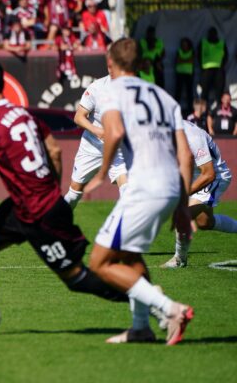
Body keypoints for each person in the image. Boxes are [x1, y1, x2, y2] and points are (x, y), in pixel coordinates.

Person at [0, 59, 127, 330]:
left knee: (76, 278)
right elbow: (54, 151)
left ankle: (147, 299)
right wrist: (52, 189)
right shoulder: (25, 115)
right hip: (26, 204)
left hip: (37, 212)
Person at [86, 38, 194, 345]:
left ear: (110, 64)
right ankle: (140, 328)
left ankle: (171, 308)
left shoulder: (112, 91)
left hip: (144, 186)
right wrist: (183, 206)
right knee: (131, 256)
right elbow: (184, 156)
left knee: (100, 263)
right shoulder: (163, 96)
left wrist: (103, 172)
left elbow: (115, 132)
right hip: (171, 186)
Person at [162, 120, 236, 268]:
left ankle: (179, 260)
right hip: (198, 175)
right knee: (205, 223)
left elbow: (209, 174)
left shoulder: (193, 137)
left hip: (215, 177)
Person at [63, 75, 128, 209]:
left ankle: (124, 227)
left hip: (118, 147)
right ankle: (55, 222)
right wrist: (97, 131)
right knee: (74, 192)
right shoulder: (97, 87)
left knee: (127, 189)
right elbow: (78, 117)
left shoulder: (134, 89)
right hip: (92, 146)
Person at [198, 27, 227, 106]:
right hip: (206, 70)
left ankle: (219, 111)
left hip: (218, 70)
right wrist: (202, 66)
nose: (212, 35)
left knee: (219, 93)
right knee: (204, 93)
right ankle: (204, 112)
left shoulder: (221, 43)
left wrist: (221, 66)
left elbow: (226, 56)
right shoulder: (203, 42)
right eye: (211, 33)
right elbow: (199, 55)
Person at [174, 37, 194, 116]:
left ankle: (190, 109)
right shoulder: (179, 51)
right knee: (178, 92)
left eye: (185, 44)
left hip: (188, 74)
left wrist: (182, 60)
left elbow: (191, 61)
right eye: (183, 44)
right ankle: (176, 108)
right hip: (180, 73)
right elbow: (178, 60)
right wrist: (186, 60)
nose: (184, 46)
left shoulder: (192, 51)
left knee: (189, 92)